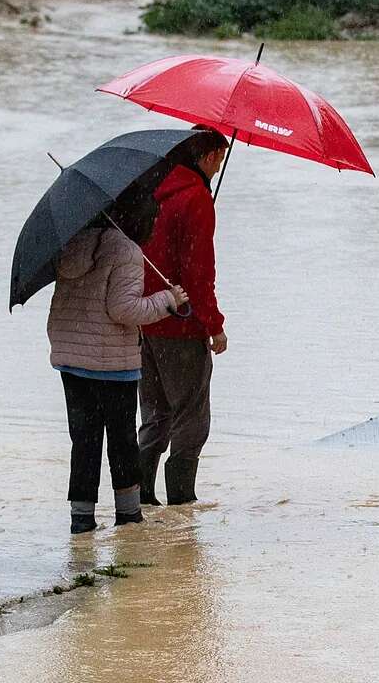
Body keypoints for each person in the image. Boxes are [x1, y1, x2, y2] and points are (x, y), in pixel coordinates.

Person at [47, 184, 189, 534]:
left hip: (71, 360)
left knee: (84, 439)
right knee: (122, 439)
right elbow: (123, 309)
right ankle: (127, 518)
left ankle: (81, 520)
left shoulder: (73, 242)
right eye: (152, 218)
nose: (155, 226)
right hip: (112, 363)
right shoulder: (126, 251)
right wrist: (168, 300)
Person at [138, 127, 229, 506]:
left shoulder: (152, 190)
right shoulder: (195, 200)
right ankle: (182, 501)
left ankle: (138, 496)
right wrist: (215, 325)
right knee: (191, 419)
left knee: (156, 414)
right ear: (208, 157)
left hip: (145, 320)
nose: (219, 167)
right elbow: (197, 273)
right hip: (182, 325)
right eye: (219, 160)